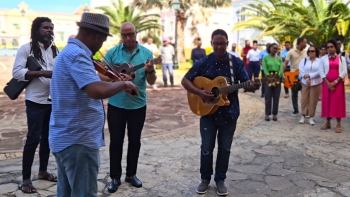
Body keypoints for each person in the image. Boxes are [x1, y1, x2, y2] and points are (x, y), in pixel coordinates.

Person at [49, 13, 139, 196]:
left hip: (67, 137)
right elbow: (95, 90)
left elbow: (96, 79)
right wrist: (125, 84)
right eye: (103, 40)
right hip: (78, 140)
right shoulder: (78, 55)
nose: (101, 46)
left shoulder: (69, 52)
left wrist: (115, 81)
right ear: (96, 36)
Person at [181, 29, 260, 196]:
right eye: (216, 43)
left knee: (225, 149)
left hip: (229, 113)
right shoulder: (204, 62)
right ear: (211, 43)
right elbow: (185, 80)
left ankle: (220, 180)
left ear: (226, 43)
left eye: (222, 43)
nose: (219, 46)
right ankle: (204, 179)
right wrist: (200, 93)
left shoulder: (236, 63)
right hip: (208, 114)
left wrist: (252, 86)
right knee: (206, 148)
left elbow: (246, 83)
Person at [104, 22, 156, 193]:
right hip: (116, 103)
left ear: (136, 33)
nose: (128, 38)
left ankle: (131, 174)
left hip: (137, 104)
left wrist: (149, 71)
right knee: (115, 141)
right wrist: (117, 78)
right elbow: (102, 75)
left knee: (135, 141)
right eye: (124, 35)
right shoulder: (112, 53)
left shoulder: (147, 54)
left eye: (130, 34)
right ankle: (114, 177)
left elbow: (152, 81)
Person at [12, 17, 58, 194]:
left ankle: (43, 171)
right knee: (33, 138)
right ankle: (25, 179)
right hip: (35, 101)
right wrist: (43, 73)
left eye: (51, 28)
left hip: (52, 101)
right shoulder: (27, 49)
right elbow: (17, 72)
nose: (49, 30)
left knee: (48, 139)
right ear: (37, 30)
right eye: (45, 27)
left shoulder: (55, 51)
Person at [319, 39, 347, 133]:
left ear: (335, 47)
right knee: (327, 102)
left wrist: (334, 82)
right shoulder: (323, 59)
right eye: (328, 47)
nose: (329, 49)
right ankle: (328, 122)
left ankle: (338, 124)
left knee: (337, 102)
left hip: (338, 84)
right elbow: (321, 71)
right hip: (326, 84)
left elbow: (344, 71)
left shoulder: (341, 58)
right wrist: (328, 83)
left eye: (331, 47)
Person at [298, 46, 322, 125]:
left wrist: (310, 76)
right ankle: (303, 115)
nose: (310, 52)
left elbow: (320, 71)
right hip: (305, 82)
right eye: (309, 51)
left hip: (316, 83)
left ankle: (311, 117)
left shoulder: (320, 61)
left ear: (316, 52)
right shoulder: (304, 60)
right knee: (304, 99)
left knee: (313, 100)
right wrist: (307, 79)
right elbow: (301, 70)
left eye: (312, 51)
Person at [284, 38, 308, 116]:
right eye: (305, 43)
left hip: (303, 76)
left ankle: (305, 111)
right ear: (300, 43)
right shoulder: (291, 52)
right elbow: (285, 63)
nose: (306, 44)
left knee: (305, 94)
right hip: (293, 75)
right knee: (294, 93)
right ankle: (295, 110)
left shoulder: (306, 52)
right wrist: (282, 74)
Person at [262, 43, 283, 121]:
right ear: (270, 48)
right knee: (268, 97)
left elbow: (281, 68)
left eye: (276, 48)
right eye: (274, 48)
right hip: (268, 77)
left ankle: (274, 114)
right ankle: (267, 114)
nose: (275, 50)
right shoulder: (266, 57)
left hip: (277, 77)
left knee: (276, 97)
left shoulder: (279, 58)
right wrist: (269, 77)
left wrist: (278, 76)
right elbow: (265, 68)